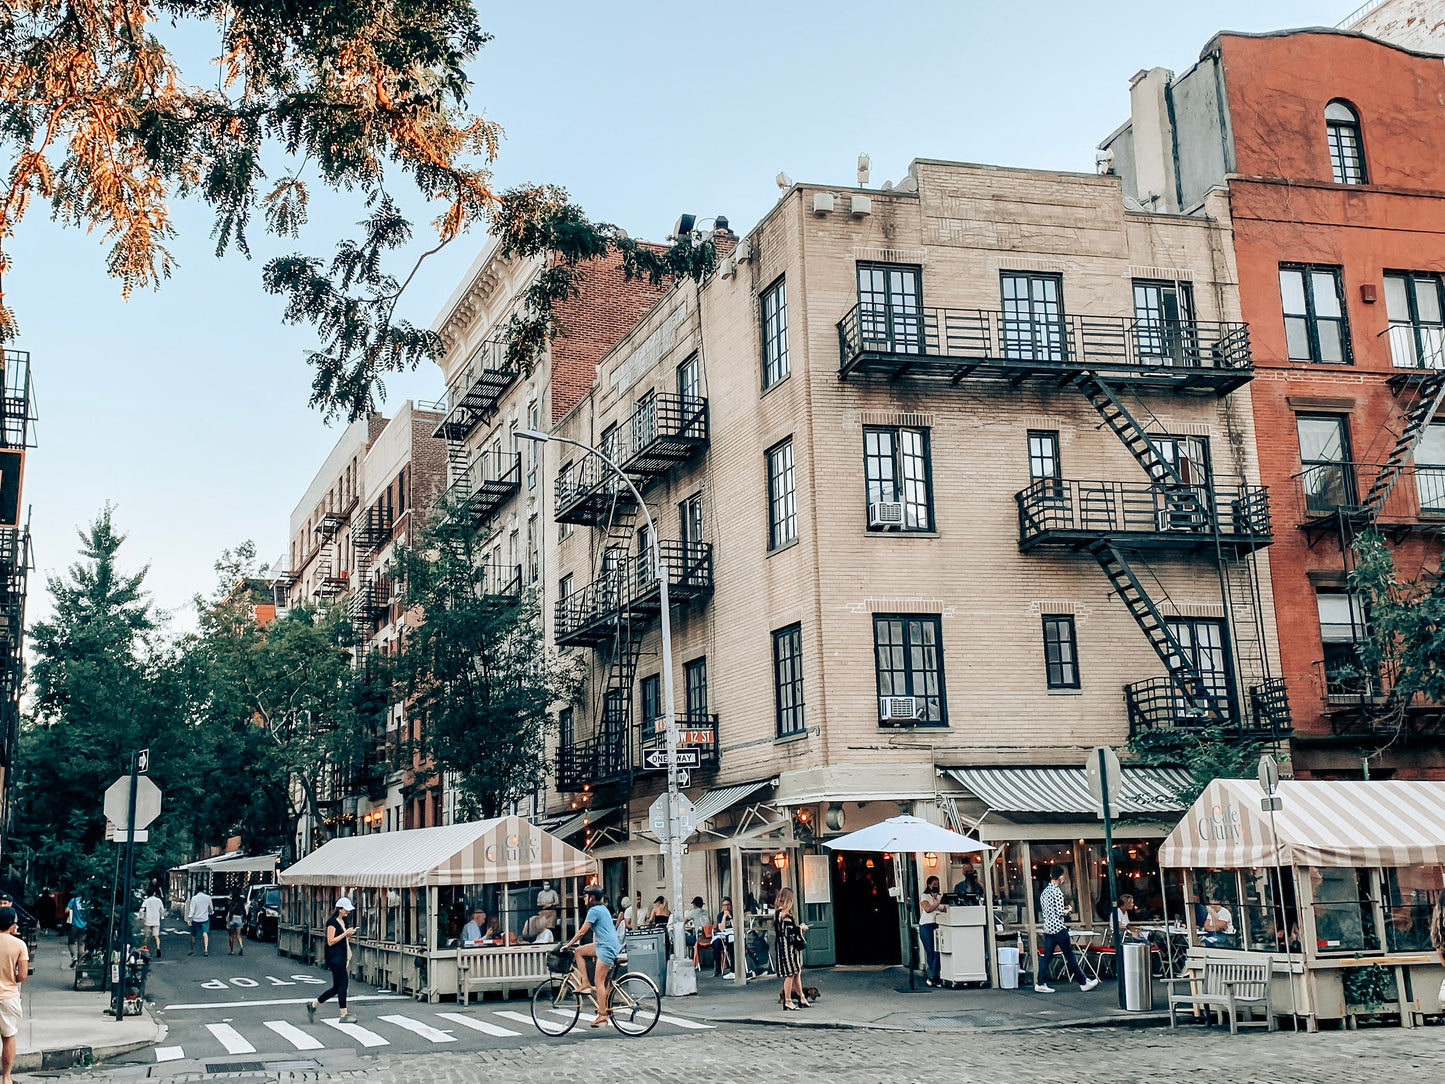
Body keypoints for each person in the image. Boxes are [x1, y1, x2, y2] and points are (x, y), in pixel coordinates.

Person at [1035, 866, 1099, 994]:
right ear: (1060, 877)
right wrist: (1068, 910)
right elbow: (1060, 912)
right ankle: (1083, 982)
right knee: (1069, 955)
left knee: (1047, 956)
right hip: (1058, 927)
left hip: (1048, 927)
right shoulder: (1057, 892)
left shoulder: (1045, 892)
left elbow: (1049, 910)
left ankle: (1040, 982)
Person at [563, 884, 620, 1028]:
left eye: (585, 896)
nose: (583, 898)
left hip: (606, 948)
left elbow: (582, 931)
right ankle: (585, 983)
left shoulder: (594, 910)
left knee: (599, 981)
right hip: (604, 945)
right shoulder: (602, 909)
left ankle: (602, 1015)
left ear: (592, 898)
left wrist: (569, 944)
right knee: (579, 952)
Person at [306, 897, 358, 1024]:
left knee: (336, 987)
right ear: (340, 909)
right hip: (335, 957)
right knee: (343, 984)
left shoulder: (341, 921)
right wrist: (345, 934)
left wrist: (347, 934)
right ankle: (343, 1014)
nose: (348, 912)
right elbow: (330, 941)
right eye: (346, 909)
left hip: (341, 955)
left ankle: (313, 1005)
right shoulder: (332, 922)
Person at [0, 907, 27, 1084]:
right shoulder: (19, 945)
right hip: (8, 995)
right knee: (9, 1037)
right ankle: (6, 1077)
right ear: (12, 925)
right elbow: (22, 976)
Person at [773, 887, 809, 1009]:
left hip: (787, 947)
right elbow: (788, 932)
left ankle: (801, 997)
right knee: (790, 974)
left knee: (796, 972)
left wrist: (798, 928)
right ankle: (788, 1000)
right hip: (786, 948)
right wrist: (801, 929)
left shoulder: (781, 913)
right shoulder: (782, 914)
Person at [919, 875, 943, 986]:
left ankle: (935, 976)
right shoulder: (925, 896)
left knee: (937, 950)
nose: (936, 887)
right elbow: (928, 909)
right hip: (926, 924)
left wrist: (939, 900)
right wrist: (936, 903)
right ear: (929, 885)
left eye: (937, 885)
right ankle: (934, 976)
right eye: (934, 885)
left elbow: (945, 908)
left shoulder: (940, 896)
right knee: (930, 950)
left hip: (937, 924)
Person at [186, 887, 213, 957]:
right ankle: (206, 950)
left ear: (196, 890)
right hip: (205, 918)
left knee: (193, 934)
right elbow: (211, 908)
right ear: (203, 890)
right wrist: (210, 912)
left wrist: (189, 918)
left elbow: (192, 910)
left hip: (196, 919)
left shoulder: (194, 898)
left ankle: (192, 950)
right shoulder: (208, 897)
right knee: (205, 933)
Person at [684, 896, 709, 969]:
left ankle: (689, 960)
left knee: (683, 940)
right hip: (708, 938)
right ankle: (696, 960)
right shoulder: (706, 912)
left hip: (698, 938)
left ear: (694, 905)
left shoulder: (693, 912)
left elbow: (683, 922)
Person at [714, 897, 735, 978]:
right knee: (716, 944)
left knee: (732, 946)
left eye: (728, 905)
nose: (726, 907)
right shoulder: (720, 915)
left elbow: (735, 926)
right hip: (722, 936)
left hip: (731, 936)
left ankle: (733, 968)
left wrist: (729, 916)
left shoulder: (734, 914)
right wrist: (724, 917)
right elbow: (721, 928)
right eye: (724, 905)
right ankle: (717, 967)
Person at [140, 887, 164, 959]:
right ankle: (158, 947)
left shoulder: (146, 901)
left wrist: (141, 917)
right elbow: (162, 909)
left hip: (148, 920)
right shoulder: (159, 900)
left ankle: (144, 950)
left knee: (147, 936)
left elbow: (142, 910)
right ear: (154, 893)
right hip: (156, 920)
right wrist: (161, 916)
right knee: (156, 936)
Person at [65, 892, 87, 964]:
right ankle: (80, 962)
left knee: (70, 942)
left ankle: (74, 957)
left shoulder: (74, 900)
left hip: (74, 926)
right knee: (81, 944)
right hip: (84, 926)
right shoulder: (88, 902)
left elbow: (66, 910)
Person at [227, 891, 245, 956]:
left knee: (231, 935)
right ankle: (241, 945)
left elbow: (231, 910)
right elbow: (243, 910)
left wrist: (230, 919)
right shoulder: (241, 902)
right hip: (239, 918)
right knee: (238, 934)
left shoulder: (230, 902)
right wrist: (244, 918)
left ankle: (232, 950)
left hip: (232, 918)